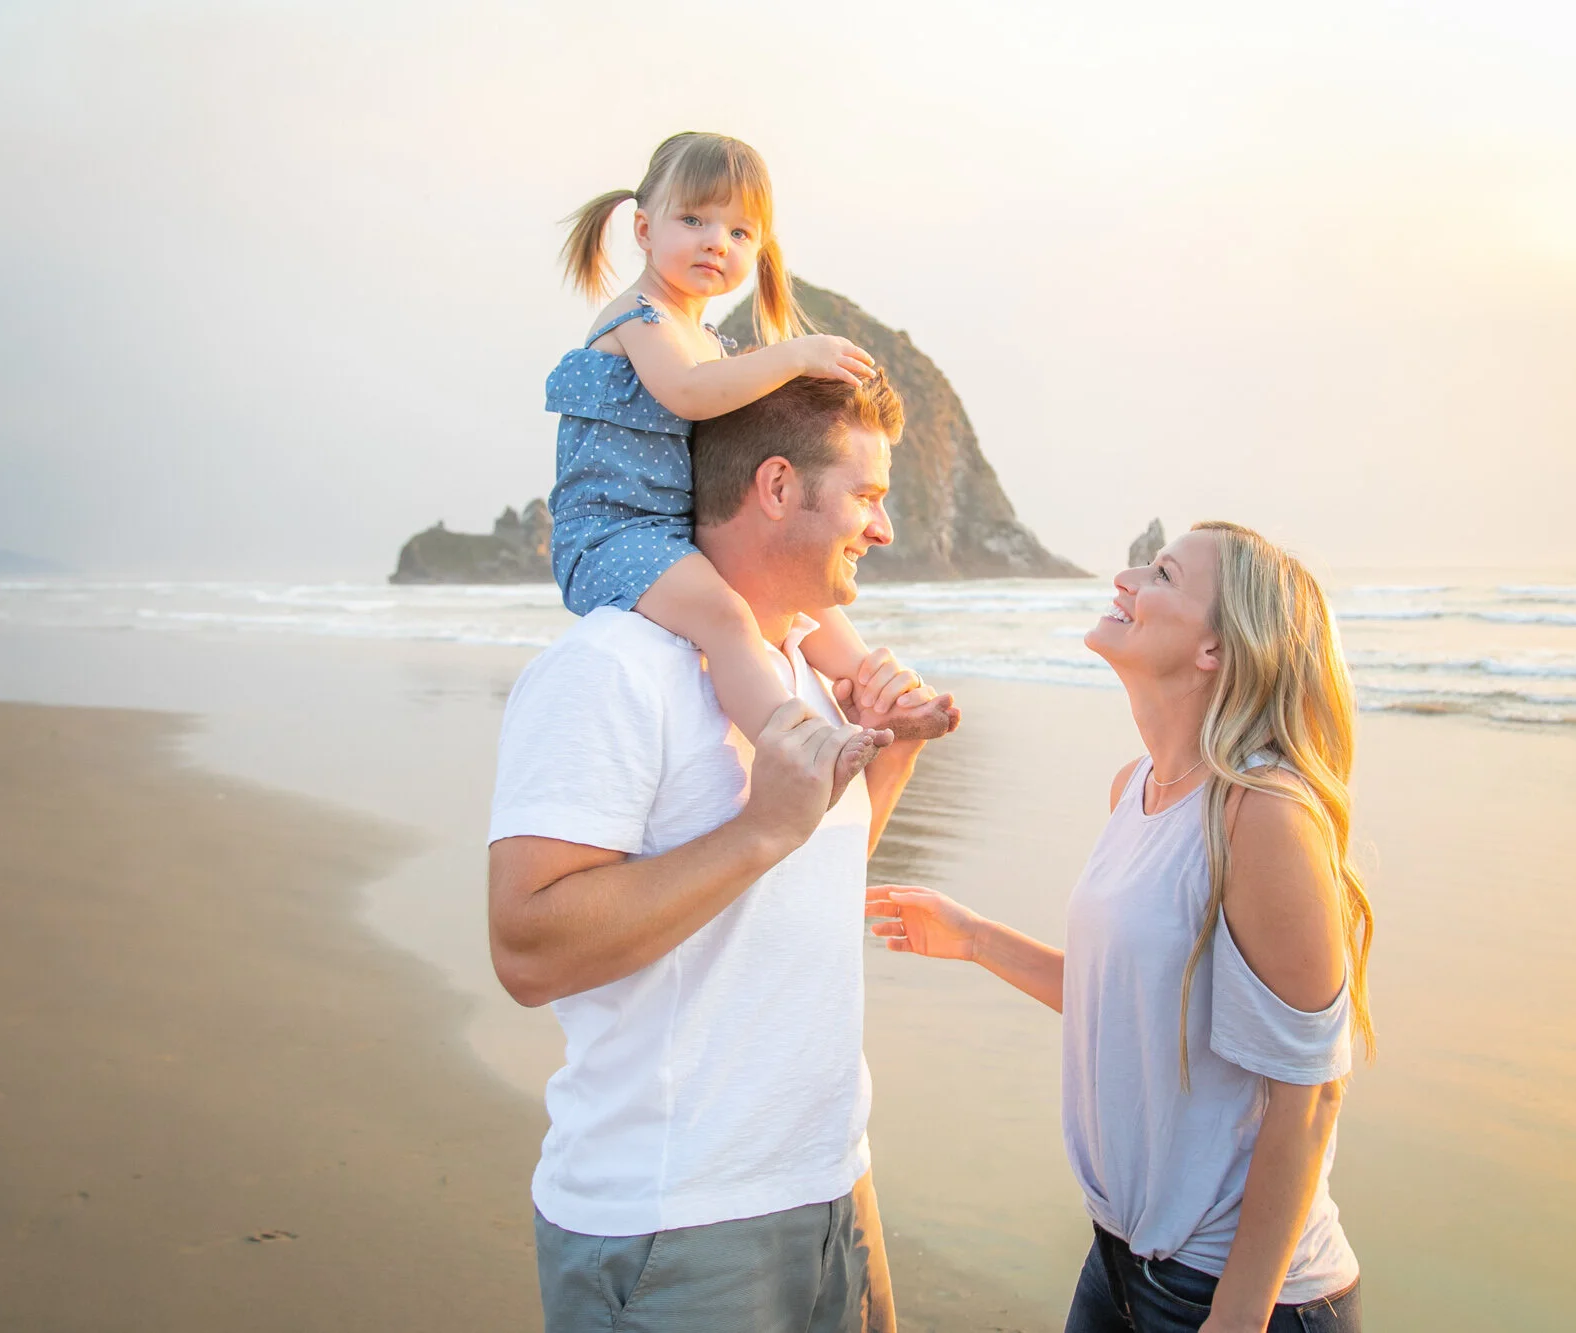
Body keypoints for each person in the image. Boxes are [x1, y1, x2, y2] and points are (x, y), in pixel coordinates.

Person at [488, 370, 958, 1333]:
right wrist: (758, 829)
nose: (884, 529)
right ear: (778, 488)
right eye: (868, 497)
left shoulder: (800, 672)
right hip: (676, 1226)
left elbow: (802, 888)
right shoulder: (610, 669)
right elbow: (527, 949)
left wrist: (893, 753)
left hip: (832, 1184)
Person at [868, 523, 1374, 1333]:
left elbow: (1309, 1093)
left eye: (1163, 572)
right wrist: (972, 937)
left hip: (1249, 1294)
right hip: (1118, 1264)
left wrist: (1237, 1316)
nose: (1126, 576)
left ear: (1215, 648)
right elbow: (1131, 1001)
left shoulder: (1262, 813)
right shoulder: (1133, 787)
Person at [550, 131, 948, 803]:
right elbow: (689, 393)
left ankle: (875, 685)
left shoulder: (712, 343)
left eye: (739, 232)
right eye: (694, 220)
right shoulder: (640, 317)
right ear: (644, 229)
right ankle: (793, 741)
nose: (716, 243)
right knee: (728, 619)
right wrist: (794, 357)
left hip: (674, 530)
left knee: (803, 600)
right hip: (613, 537)